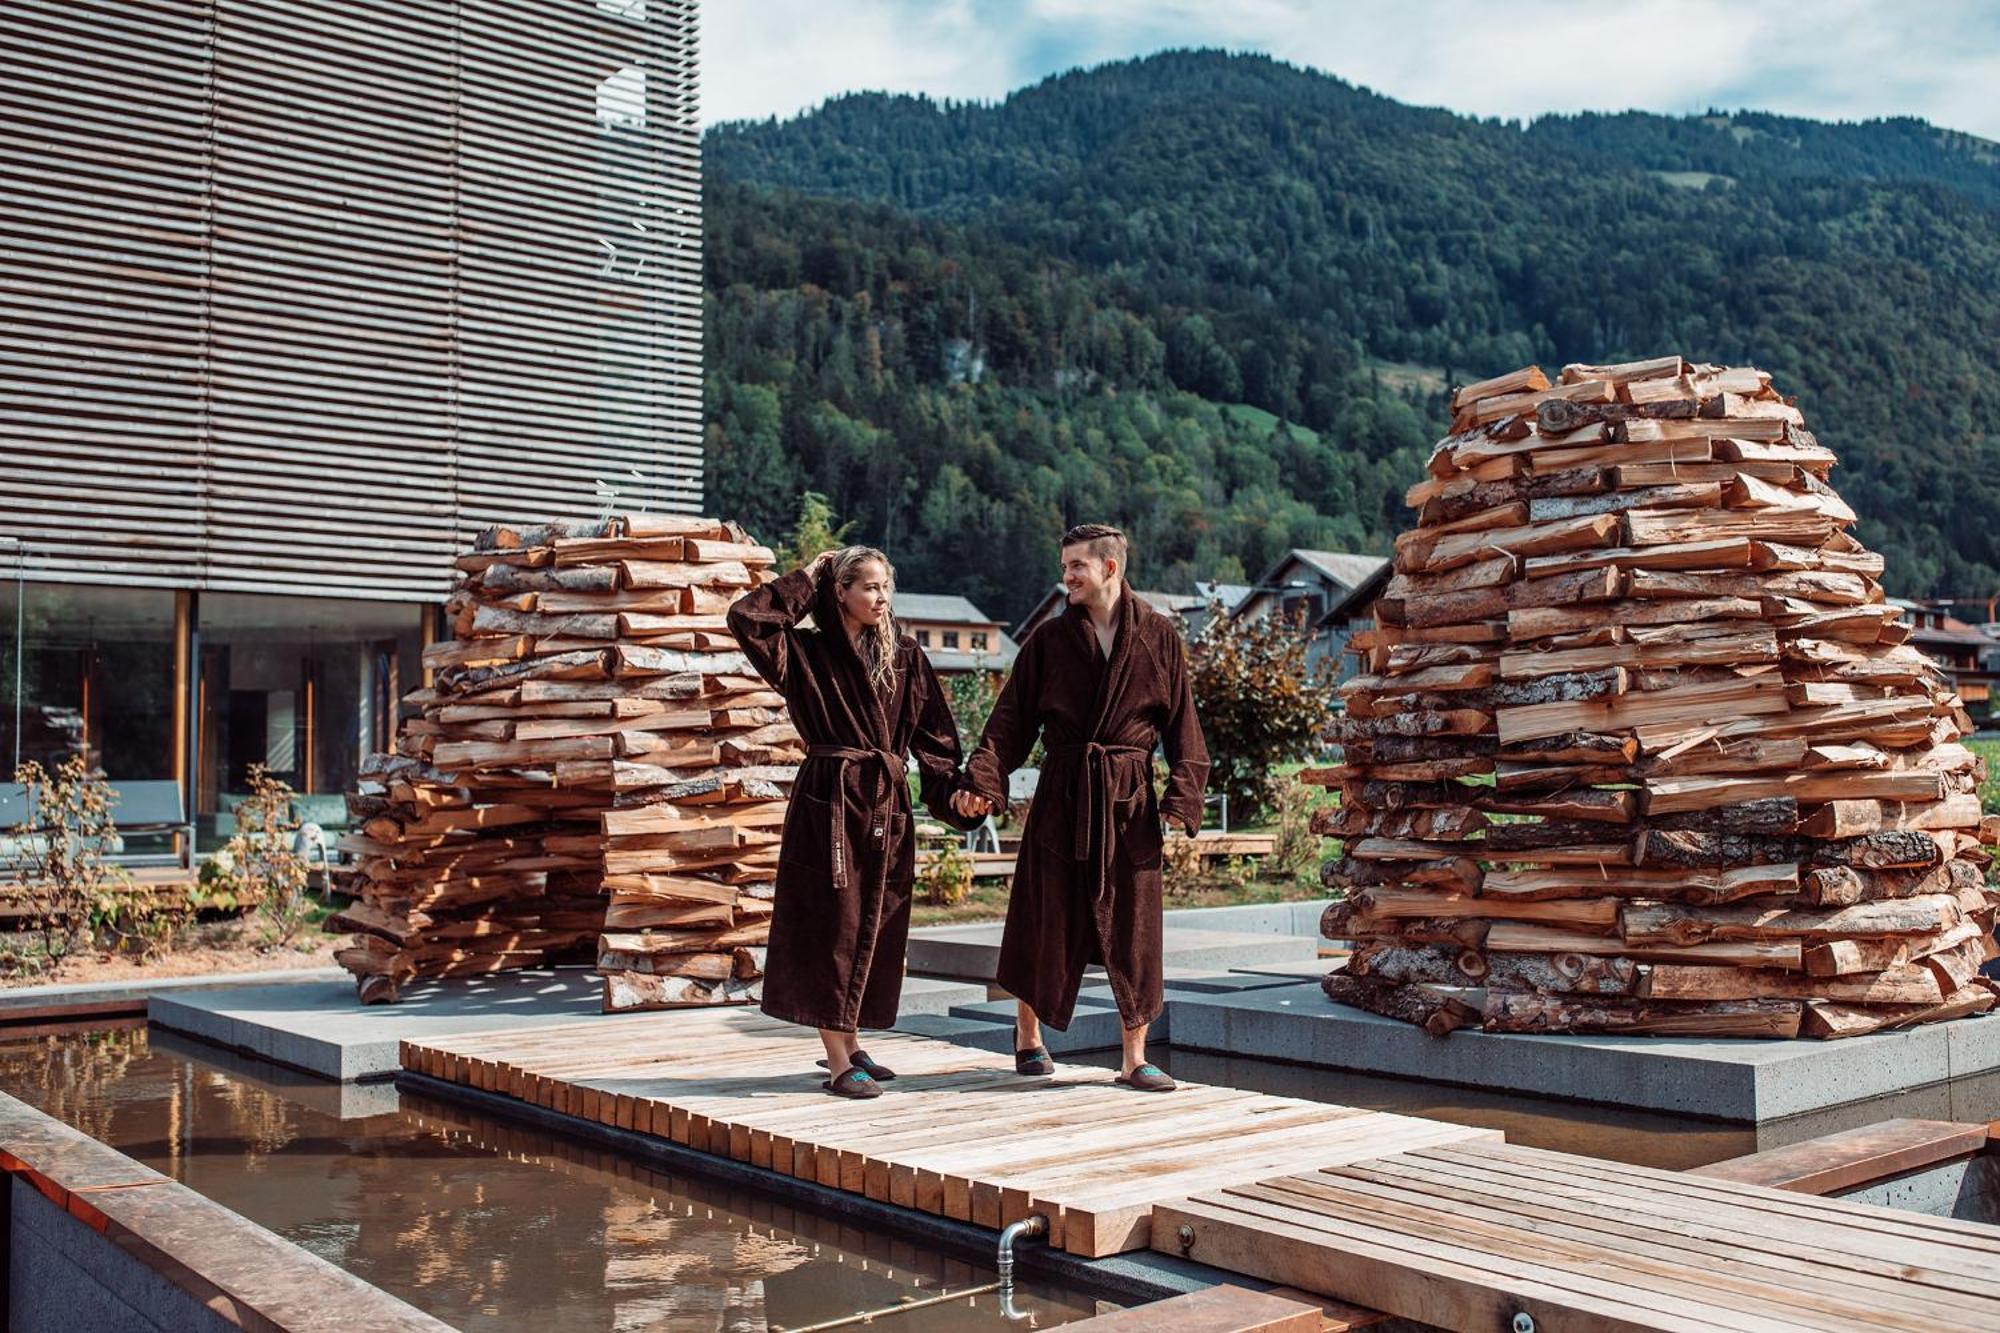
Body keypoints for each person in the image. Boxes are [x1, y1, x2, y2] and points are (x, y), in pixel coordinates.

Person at [951, 524, 1209, 1091]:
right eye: (1065, 565)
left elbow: (1183, 727)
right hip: (1063, 796)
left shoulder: (1159, 637)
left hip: (1129, 803)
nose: (1065, 576)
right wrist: (983, 781)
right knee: (1043, 917)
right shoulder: (1047, 641)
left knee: (1135, 930)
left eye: (1076, 567)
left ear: (1110, 569)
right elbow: (1010, 723)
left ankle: (1133, 1057)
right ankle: (1028, 1036)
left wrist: (1180, 797)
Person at [728, 546, 976, 1099]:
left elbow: (935, 741)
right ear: (839, 591)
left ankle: (852, 1039)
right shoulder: (805, 653)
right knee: (832, 926)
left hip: (886, 803)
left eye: (886, 587)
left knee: (875, 924)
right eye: (867, 586)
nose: (880, 598)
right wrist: (808, 575)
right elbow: (747, 618)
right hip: (831, 803)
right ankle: (839, 1059)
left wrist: (953, 794)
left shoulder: (906, 657)